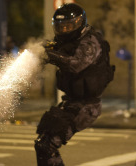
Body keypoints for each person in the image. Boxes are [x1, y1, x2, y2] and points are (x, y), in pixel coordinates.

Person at [34, 3, 115, 166]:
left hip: (86, 106)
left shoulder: (90, 43)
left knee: (47, 145)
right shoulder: (66, 42)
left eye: (68, 26)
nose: (64, 30)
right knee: (42, 143)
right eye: (61, 27)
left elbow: (76, 64)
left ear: (80, 23)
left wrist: (49, 55)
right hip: (71, 102)